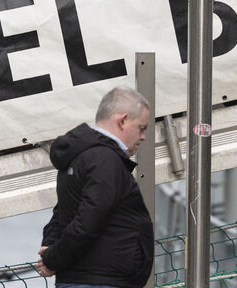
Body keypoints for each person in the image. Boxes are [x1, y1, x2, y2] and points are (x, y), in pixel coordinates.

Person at [35, 86, 155, 288]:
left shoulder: (80, 156)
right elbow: (88, 221)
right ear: (123, 120)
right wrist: (52, 259)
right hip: (99, 281)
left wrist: (51, 250)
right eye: (141, 128)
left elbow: (62, 212)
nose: (143, 136)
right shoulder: (105, 160)